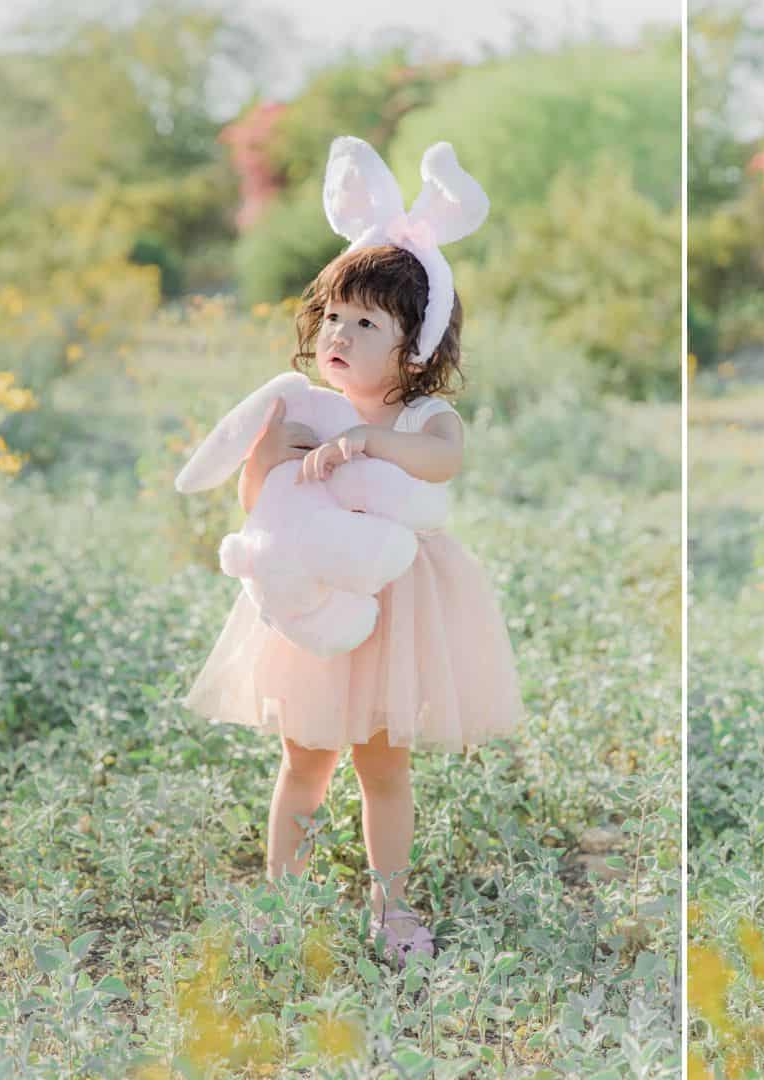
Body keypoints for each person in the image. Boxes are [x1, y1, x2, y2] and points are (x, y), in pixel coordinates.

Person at [182, 137, 523, 967]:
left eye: (366, 321)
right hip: (307, 602)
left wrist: (367, 441)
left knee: (383, 766)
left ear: (415, 344)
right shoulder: (301, 405)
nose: (339, 332)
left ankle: (391, 909)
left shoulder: (419, 419)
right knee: (304, 761)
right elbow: (255, 505)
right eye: (333, 315)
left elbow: (446, 462)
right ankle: (282, 901)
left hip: (400, 610)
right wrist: (276, 453)